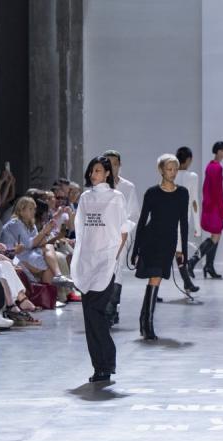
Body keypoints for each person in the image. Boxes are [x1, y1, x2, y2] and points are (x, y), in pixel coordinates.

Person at [71, 156, 128, 383]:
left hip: (106, 261)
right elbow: (81, 231)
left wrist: (113, 258)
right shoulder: (85, 198)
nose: (94, 174)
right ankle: (100, 366)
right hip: (88, 261)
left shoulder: (116, 198)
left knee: (97, 314)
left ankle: (106, 363)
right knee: (90, 317)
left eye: (98, 171)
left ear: (107, 173)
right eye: (92, 170)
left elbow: (123, 231)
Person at [131, 154, 190, 340]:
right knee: (155, 277)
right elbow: (142, 221)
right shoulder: (151, 193)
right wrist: (136, 249)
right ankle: (147, 324)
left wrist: (183, 251)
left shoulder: (182, 193)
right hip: (151, 240)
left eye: (175, 169)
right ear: (161, 170)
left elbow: (184, 223)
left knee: (157, 278)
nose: (172, 173)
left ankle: (144, 320)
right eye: (169, 169)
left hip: (168, 242)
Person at [102, 150, 141, 325]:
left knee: (116, 269)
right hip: (101, 236)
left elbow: (134, 214)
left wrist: (123, 230)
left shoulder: (128, 187)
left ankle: (111, 309)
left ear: (119, 165)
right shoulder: (98, 187)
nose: (112, 166)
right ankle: (108, 309)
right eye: (108, 163)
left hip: (121, 235)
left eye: (115, 163)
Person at [188, 141, 223, 279]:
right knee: (216, 235)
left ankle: (208, 266)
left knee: (216, 236)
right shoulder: (216, 167)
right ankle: (193, 261)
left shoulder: (211, 166)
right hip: (214, 207)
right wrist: (222, 210)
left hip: (211, 205)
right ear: (219, 151)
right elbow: (217, 191)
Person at [174, 146, 200, 293]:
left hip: (168, 217)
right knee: (179, 251)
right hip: (183, 219)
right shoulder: (192, 176)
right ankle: (187, 283)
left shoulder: (170, 174)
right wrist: (198, 226)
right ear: (189, 159)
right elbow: (194, 202)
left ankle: (186, 283)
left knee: (170, 253)